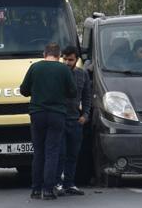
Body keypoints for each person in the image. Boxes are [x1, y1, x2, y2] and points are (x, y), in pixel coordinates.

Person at [20, 42, 77, 200]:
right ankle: (48, 190)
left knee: (38, 152)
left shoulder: (35, 67)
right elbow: (72, 92)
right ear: (59, 56)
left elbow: (24, 90)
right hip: (57, 115)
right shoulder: (64, 69)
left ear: (44, 54)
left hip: (37, 114)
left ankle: (36, 190)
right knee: (52, 152)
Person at [54, 46, 92, 196]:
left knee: (73, 154)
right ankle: (57, 183)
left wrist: (85, 115)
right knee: (60, 153)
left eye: (70, 59)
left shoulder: (82, 75)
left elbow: (87, 97)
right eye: (65, 59)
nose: (67, 62)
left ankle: (69, 183)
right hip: (60, 119)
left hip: (76, 120)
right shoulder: (57, 74)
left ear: (76, 60)